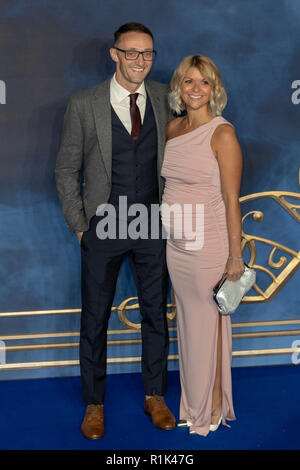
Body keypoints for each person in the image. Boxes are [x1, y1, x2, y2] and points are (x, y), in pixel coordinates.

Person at [55, 22, 176, 439]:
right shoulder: (83, 104)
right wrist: (79, 228)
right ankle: (94, 403)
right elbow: (66, 170)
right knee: (94, 318)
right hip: (102, 227)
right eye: (131, 53)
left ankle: (155, 395)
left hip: (152, 225)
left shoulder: (165, 97)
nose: (139, 61)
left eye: (147, 54)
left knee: (155, 314)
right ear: (114, 54)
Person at [161, 54, 244, 436]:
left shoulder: (222, 133)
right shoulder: (174, 129)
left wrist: (234, 255)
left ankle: (210, 403)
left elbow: (231, 199)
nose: (195, 89)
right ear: (179, 86)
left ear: (215, 89)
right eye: (188, 82)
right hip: (175, 245)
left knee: (206, 325)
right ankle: (195, 401)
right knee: (191, 327)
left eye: (204, 82)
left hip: (207, 247)